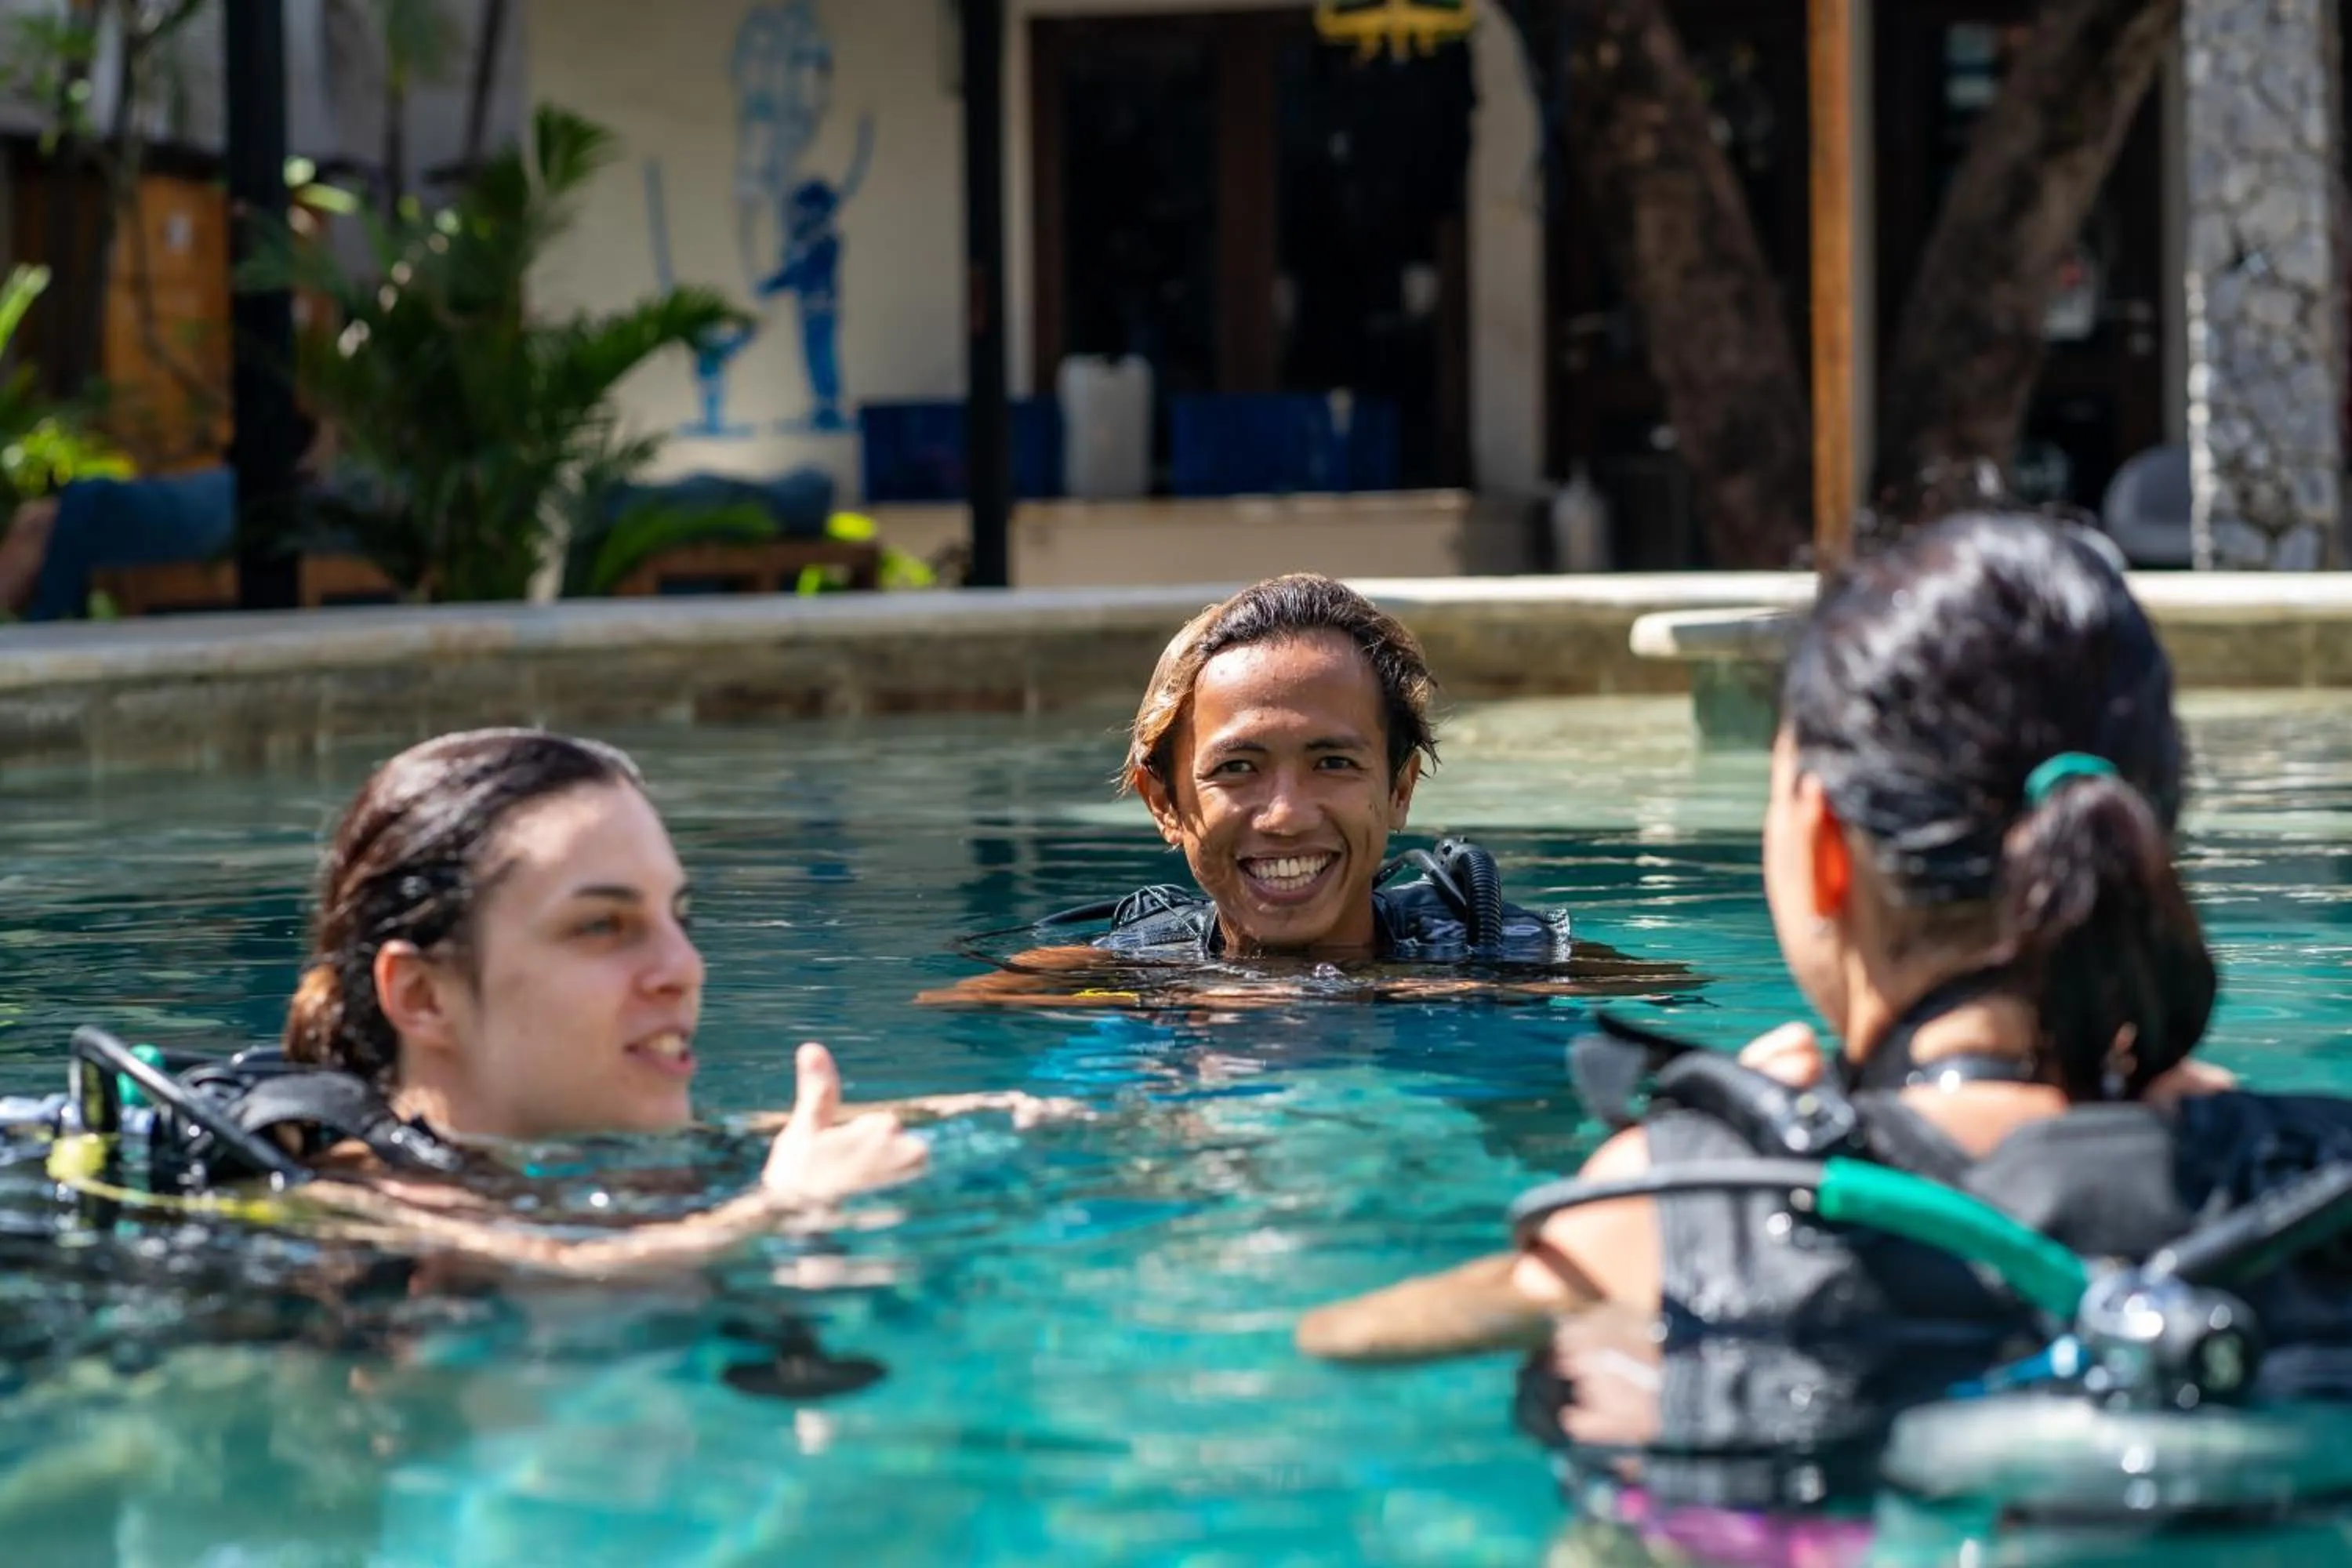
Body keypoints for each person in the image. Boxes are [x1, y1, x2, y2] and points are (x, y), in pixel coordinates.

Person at [1295, 511, 2264, 1367]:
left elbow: (1344, 1339)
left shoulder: (1683, 1204)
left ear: (1824, 847)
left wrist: (1716, 1151)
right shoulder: (2301, 1179)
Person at [52, 728, 1068, 1278]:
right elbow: (553, 1277)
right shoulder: (334, 1206)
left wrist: (988, 1115)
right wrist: (785, 1211)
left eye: (677, 915)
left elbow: (719, 1142)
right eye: (602, 925)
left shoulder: (467, 1148)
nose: (684, 967)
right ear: (422, 995)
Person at [921, 573, 1681, 1007]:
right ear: (1165, 804)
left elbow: (1693, 1017)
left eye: (1335, 762)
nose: (1285, 814)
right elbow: (941, 1019)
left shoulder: (1508, 958)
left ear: (1400, 787)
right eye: (1237, 767)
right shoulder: (1122, 970)